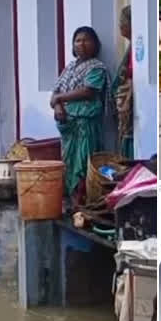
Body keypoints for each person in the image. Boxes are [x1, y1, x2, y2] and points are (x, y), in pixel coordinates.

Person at [50, 26, 108, 201]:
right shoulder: (69, 68)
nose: (81, 44)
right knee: (68, 162)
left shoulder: (97, 67)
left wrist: (60, 98)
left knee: (83, 162)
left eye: (86, 40)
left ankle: (83, 200)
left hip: (86, 124)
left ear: (95, 44)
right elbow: (55, 94)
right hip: (68, 126)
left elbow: (88, 91)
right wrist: (58, 105)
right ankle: (71, 198)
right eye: (77, 40)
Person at [115, 6, 134, 158]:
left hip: (130, 106)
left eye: (123, 21)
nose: (120, 26)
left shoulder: (137, 48)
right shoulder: (130, 47)